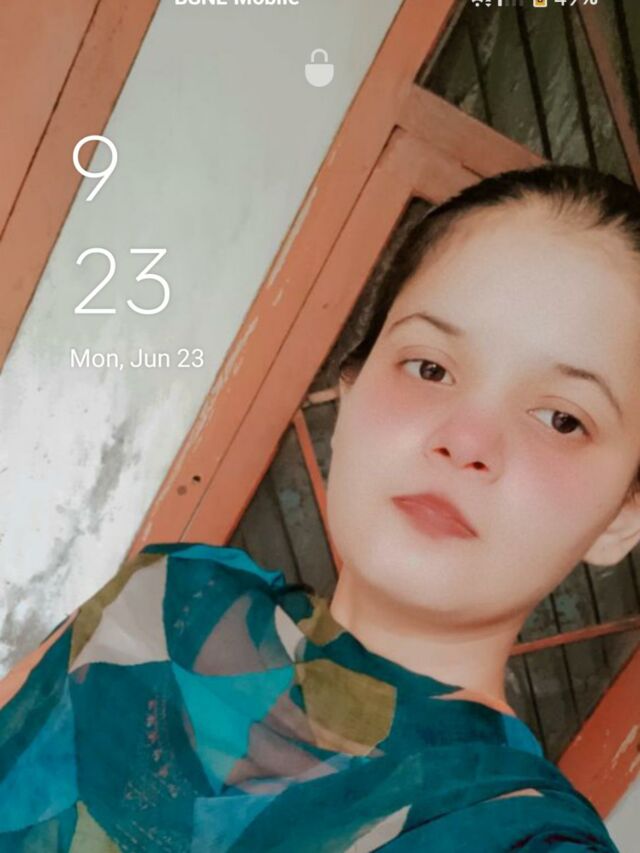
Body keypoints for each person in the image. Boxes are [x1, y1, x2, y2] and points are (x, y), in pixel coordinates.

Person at [0, 164, 635, 851]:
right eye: (430, 368)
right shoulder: (161, 600)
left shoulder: (521, 835)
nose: (466, 440)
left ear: (624, 517)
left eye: (562, 419)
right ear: (349, 394)